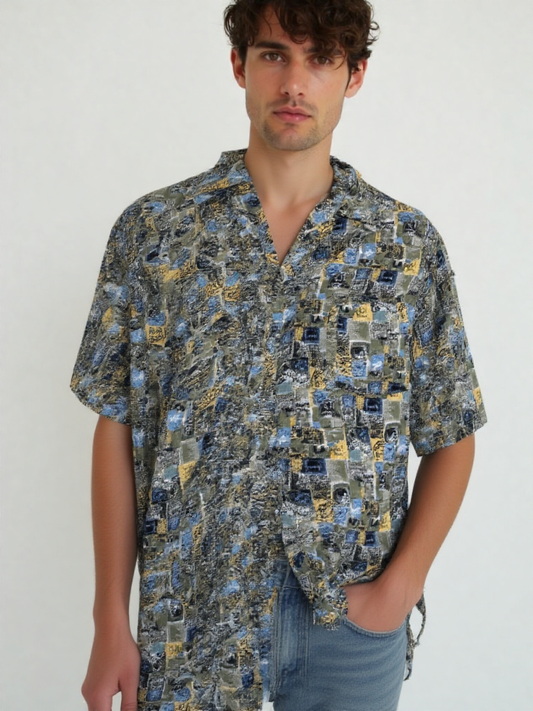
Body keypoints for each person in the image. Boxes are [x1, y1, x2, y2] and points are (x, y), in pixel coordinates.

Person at [70, 1, 487, 710]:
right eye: (273, 55)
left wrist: (398, 590)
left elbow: (451, 430)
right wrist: (110, 615)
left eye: (321, 59)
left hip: (348, 626)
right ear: (239, 65)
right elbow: (118, 422)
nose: (294, 83)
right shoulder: (155, 233)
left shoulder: (404, 246)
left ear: (354, 75)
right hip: (191, 617)